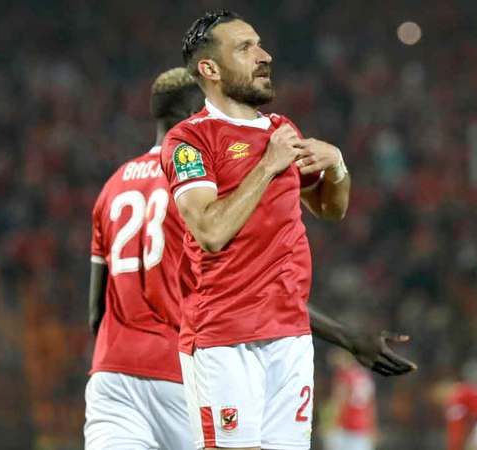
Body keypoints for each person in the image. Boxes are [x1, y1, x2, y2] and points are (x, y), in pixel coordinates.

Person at [160, 10, 415, 450]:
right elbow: (210, 232)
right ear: (210, 69)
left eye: (259, 44)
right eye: (245, 48)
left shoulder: (282, 130)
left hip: (291, 338)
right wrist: (267, 165)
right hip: (224, 338)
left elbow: (330, 209)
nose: (264, 56)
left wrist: (337, 165)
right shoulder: (190, 141)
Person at [85, 67, 204, 450]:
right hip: (177, 373)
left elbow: (95, 313)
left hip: (112, 375)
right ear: (193, 114)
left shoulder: (112, 185)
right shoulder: (196, 185)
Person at [322, 350, 377, 450]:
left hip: (346, 427)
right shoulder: (365, 376)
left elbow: (339, 401)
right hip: (363, 428)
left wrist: (329, 424)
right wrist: (372, 428)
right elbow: (371, 405)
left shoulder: (344, 376)